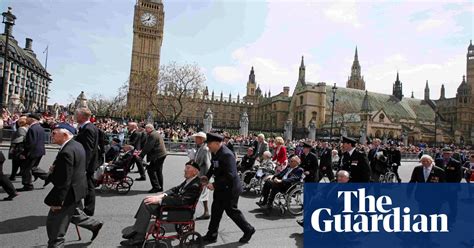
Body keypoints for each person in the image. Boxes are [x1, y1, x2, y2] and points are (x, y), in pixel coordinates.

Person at [45, 123, 103, 248]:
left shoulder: (67, 151)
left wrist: (58, 201)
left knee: (55, 226)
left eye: (54, 133)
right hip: (77, 189)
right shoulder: (77, 145)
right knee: (74, 214)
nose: (51, 136)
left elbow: (65, 180)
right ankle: (94, 225)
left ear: (65, 135)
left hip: (68, 192)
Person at [120, 161, 202, 246]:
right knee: (147, 200)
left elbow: (182, 201)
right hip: (176, 207)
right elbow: (175, 189)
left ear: (195, 171)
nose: (184, 170)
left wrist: (160, 200)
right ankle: (137, 230)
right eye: (185, 167)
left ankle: (139, 237)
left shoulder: (195, 184)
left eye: (188, 168)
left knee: (147, 204)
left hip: (181, 211)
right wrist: (162, 195)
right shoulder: (190, 180)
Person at [203, 133, 255, 244]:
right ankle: (212, 234)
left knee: (232, 211)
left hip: (230, 189)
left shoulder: (227, 154)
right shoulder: (216, 152)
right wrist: (206, 177)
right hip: (221, 187)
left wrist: (214, 185)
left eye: (209, 144)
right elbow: (213, 166)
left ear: (217, 143)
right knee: (216, 211)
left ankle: (248, 229)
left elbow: (230, 175)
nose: (208, 146)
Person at [75, 108, 100, 216]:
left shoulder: (88, 129)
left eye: (77, 115)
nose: (75, 116)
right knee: (88, 185)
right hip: (89, 163)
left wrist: (84, 167)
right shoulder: (88, 127)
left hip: (87, 164)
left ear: (82, 116)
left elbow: (88, 149)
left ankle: (89, 209)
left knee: (89, 186)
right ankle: (86, 208)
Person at [18, 113, 48, 191]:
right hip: (39, 151)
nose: (26, 119)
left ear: (32, 119)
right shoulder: (40, 127)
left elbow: (31, 143)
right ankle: (48, 177)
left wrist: (24, 153)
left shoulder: (32, 128)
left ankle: (28, 185)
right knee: (33, 168)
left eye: (27, 118)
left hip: (32, 152)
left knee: (26, 169)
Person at [139, 124, 167, 193]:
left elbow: (148, 146)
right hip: (161, 154)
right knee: (158, 171)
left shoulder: (152, 135)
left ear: (149, 128)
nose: (145, 130)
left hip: (157, 155)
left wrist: (141, 155)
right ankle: (160, 187)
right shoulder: (155, 133)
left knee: (151, 170)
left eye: (146, 128)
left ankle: (156, 187)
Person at [192, 132, 212, 220]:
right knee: (201, 194)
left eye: (197, 138)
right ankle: (206, 212)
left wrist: (206, 178)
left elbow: (208, 164)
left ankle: (205, 212)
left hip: (203, 175)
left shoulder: (205, 149)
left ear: (202, 139)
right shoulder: (200, 148)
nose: (195, 139)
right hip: (199, 174)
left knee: (200, 194)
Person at [8, 116, 28, 181]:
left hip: (18, 147)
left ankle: (13, 176)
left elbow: (20, 139)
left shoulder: (21, 129)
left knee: (15, 162)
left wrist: (13, 144)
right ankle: (17, 174)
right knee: (20, 162)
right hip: (21, 147)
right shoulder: (26, 128)